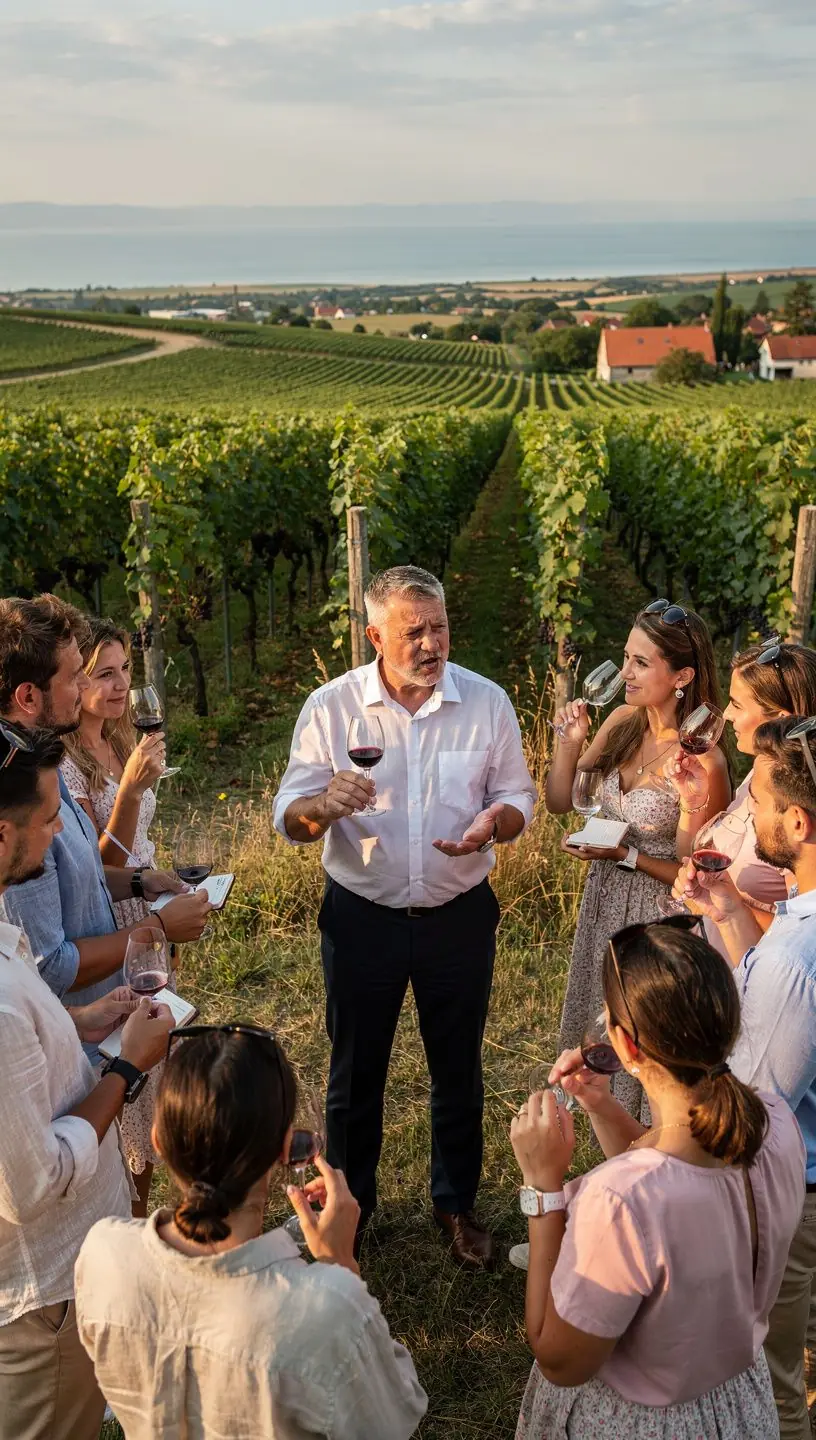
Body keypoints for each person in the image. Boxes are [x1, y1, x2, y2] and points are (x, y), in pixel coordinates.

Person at [273, 565, 536, 1267]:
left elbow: (518, 795)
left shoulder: (487, 703)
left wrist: (496, 823)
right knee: (355, 1074)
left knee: (459, 1068)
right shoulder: (332, 708)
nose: (431, 644)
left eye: (439, 626)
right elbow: (289, 818)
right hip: (363, 916)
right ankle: (349, 1214)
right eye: (412, 631)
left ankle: (456, 1207)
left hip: (459, 913)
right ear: (374, 636)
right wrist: (320, 807)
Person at [509, 917, 805, 1440]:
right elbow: (676, 1171)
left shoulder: (618, 1202)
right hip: (737, 1402)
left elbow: (559, 1358)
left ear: (626, 1048)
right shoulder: (775, 1123)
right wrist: (600, 1105)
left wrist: (543, 1187)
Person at [75, 1023, 428, 1439]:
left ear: (158, 1141)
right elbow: (392, 1418)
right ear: (285, 1150)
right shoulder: (325, 1314)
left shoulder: (103, 1254)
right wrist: (340, 1267)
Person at [0, 595, 212, 1213]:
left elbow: (90, 873)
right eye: (75, 676)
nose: (87, 686)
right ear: (28, 697)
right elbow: (55, 966)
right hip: (73, 1047)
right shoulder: (20, 803)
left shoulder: (42, 767)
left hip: (89, 1018)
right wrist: (154, 927)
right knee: (98, 1177)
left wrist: (144, 884)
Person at [0, 720, 175, 1440]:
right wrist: (125, 1066)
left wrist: (89, 1018)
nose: (54, 838)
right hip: (42, 1305)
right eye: (46, 823)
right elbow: (30, 1185)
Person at [674, 716, 816, 1438]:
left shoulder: (796, 954)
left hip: (798, 1196)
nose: (749, 816)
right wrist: (729, 913)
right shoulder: (795, 931)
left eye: (757, 803)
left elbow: (758, 1101)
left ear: (797, 820)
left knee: (776, 1384)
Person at [545, 599, 729, 1116]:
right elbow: (563, 802)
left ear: (682, 676)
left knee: (651, 1053)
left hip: (658, 921)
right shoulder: (624, 722)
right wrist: (568, 744)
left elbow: (696, 872)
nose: (624, 672)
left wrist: (626, 855)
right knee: (604, 1031)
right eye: (625, 657)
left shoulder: (702, 760)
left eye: (640, 663)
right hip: (603, 904)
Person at [670, 640, 816, 955]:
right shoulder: (757, 776)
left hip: (747, 984)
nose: (726, 714)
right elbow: (688, 855)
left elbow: (800, 942)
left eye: (737, 705)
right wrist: (693, 800)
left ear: (780, 718)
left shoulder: (794, 811)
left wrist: (729, 906)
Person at [61, 617, 165, 924]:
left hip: (150, 898)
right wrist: (130, 791)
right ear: (78, 681)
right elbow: (99, 867)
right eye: (106, 674)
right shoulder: (64, 765)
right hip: (111, 912)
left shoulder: (119, 741)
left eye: (125, 667)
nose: (122, 684)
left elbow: (139, 843)